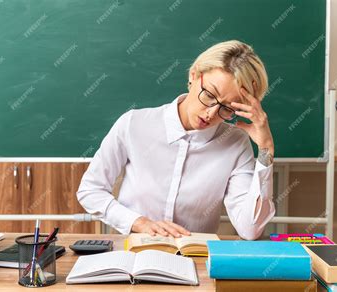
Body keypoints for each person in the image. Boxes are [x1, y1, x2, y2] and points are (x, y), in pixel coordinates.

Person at [77, 40, 275, 240]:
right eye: (209, 95)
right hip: (134, 255)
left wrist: (266, 150)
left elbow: (250, 229)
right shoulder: (134, 123)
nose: (211, 113)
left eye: (227, 108)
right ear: (194, 75)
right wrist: (138, 222)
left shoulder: (235, 143)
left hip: (195, 261)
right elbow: (90, 190)